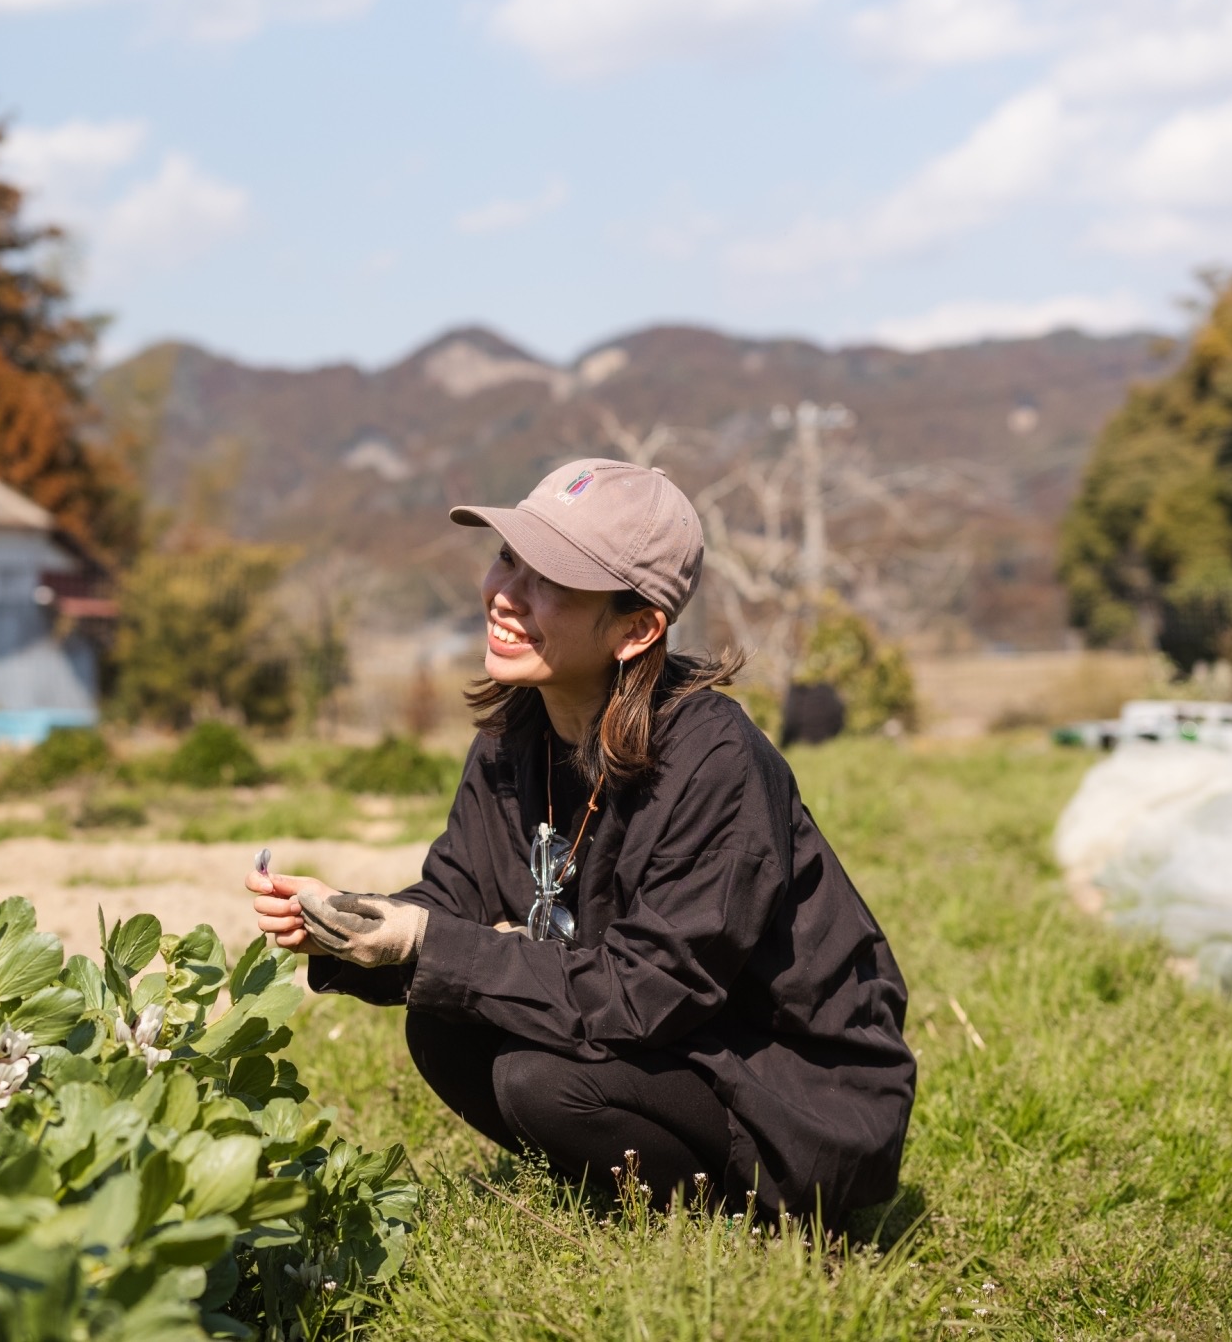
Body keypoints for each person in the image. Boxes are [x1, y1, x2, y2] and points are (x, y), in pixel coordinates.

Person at [248, 459, 914, 1218]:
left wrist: (426, 943)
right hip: (677, 1049)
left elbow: (644, 991)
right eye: (507, 559)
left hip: (795, 1098)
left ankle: (745, 1225)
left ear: (636, 629)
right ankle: (633, 1201)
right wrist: (348, 924)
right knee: (444, 1022)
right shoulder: (514, 736)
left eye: (550, 581)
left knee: (541, 1083)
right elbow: (453, 899)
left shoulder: (713, 761)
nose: (504, 594)